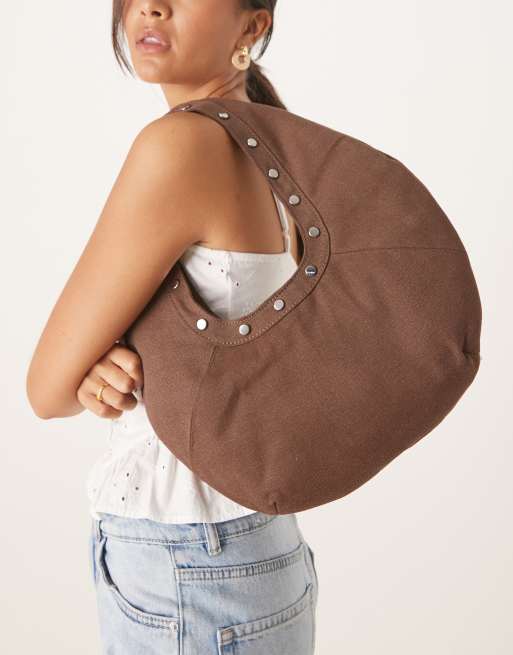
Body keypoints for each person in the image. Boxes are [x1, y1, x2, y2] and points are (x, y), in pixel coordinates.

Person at [26, 1, 319, 653]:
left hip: (189, 562)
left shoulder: (181, 145)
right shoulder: (274, 142)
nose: (153, 5)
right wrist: (109, 360)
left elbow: (45, 389)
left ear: (252, 27)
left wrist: (92, 361)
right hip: (253, 548)